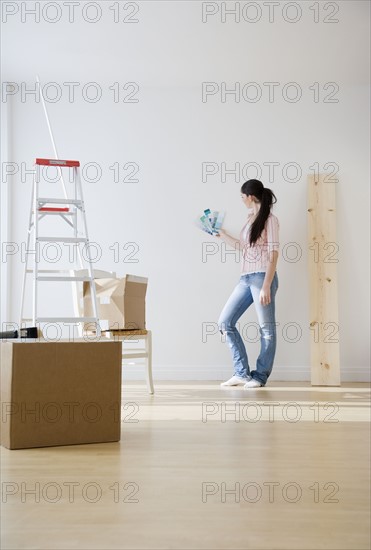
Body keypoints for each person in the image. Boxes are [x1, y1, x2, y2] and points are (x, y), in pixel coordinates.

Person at [217, 179, 279, 388]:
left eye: (242, 197)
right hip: (245, 278)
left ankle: (260, 376)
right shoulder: (250, 220)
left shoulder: (270, 220)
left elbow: (273, 253)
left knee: (266, 329)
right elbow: (243, 247)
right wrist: (222, 235)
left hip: (262, 276)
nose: (242, 200)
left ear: (250, 196)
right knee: (225, 322)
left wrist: (266, 285)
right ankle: (241, 373)